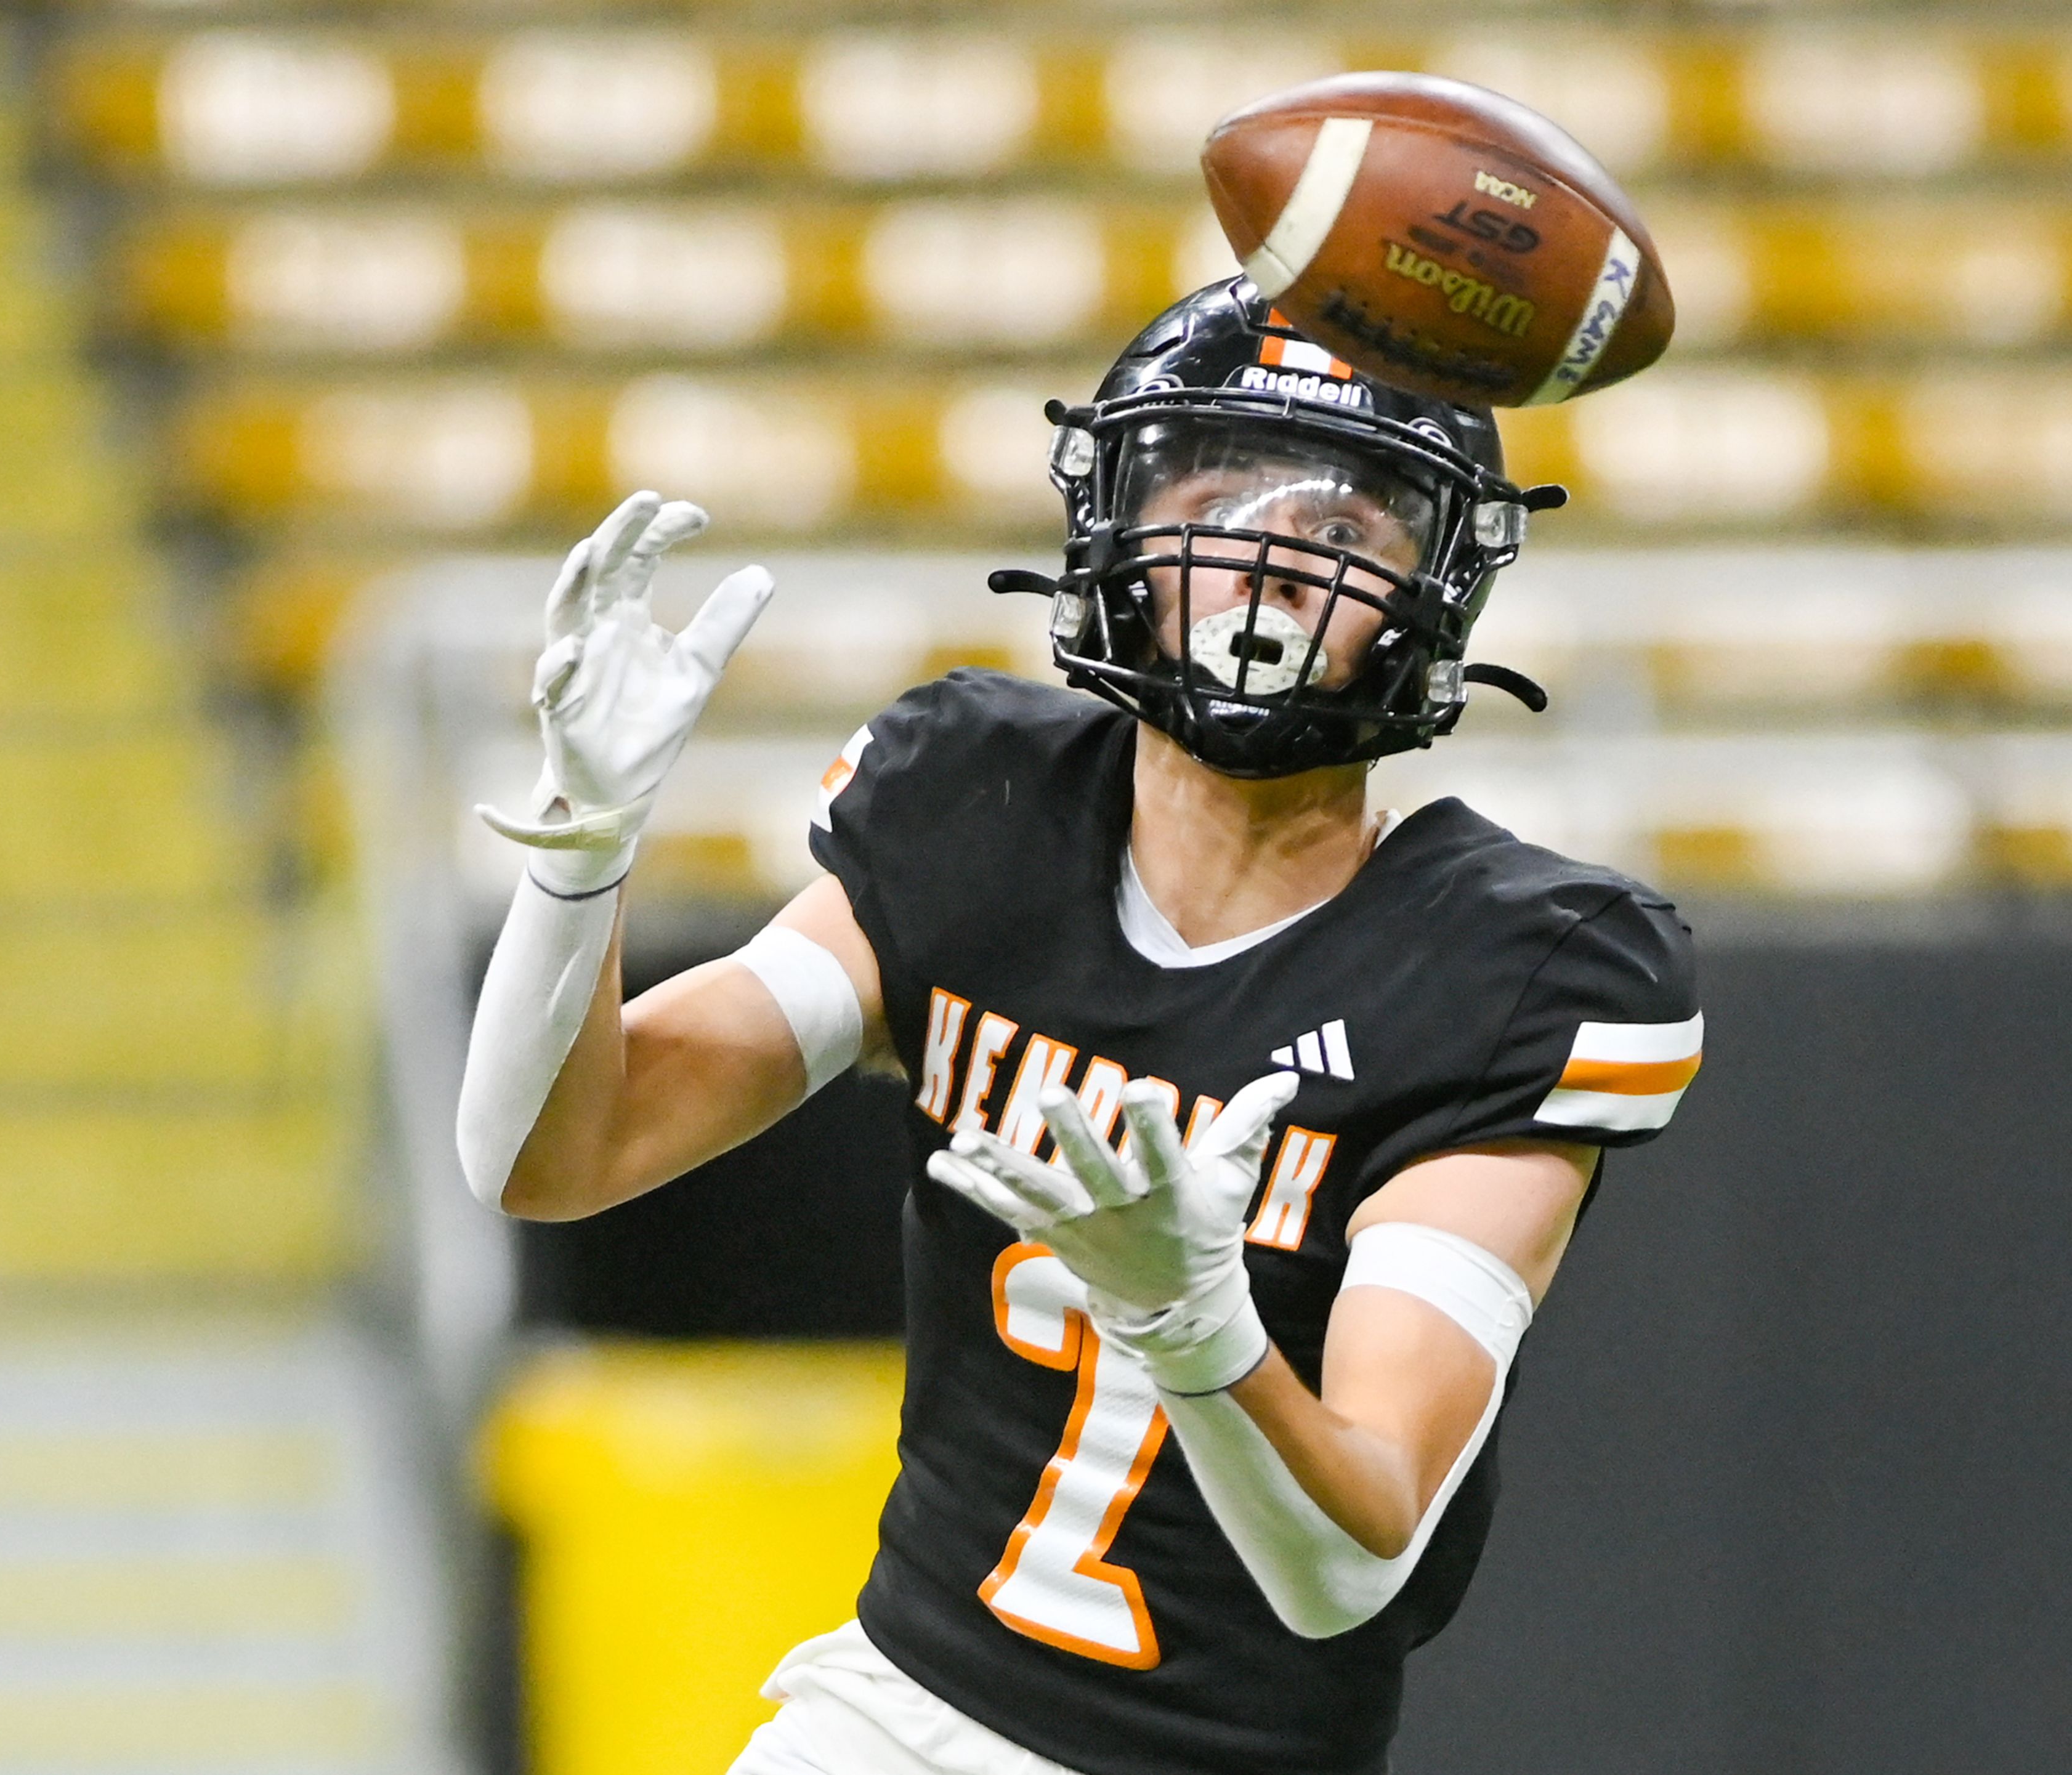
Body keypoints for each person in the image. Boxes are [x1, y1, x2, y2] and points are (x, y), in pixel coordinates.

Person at [456, 278, 1703, 1775]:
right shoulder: (980, 810)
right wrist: (579, 851)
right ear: (1119, 522)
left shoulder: (1511, 967)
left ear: (1432, 591)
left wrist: (1195, 1325)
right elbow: (561, 1152)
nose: (1271, 563)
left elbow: (1345, 1568)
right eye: (1222, 497)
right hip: (890, 1719)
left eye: (1344, 532)